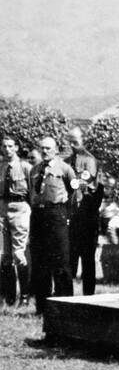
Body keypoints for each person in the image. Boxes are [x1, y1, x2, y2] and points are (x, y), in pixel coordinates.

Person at [28, 134, 79, 312]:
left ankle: (66, 305)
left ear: (56, 150)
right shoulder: (34, 170)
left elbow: (75, 194)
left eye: (48, 148)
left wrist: (66, 214)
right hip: (38, 215)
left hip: (57, 214)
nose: (45, 151)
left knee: (61, 261)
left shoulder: (65, 169)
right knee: (40, 262)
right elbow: (31, 193)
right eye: (42, 148)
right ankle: (42, 306)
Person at [64, 126, 104, 297]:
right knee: (70, 257)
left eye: (75, 141)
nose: (72, 145)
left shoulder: (89, 161)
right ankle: (67, 294)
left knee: (88, 259)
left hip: (87, 215)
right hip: (72, 215)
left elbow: (89, 184)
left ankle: (89, 296)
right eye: (70, 141)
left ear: (83, 139)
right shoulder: (67, 161)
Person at [0, 133, 31, 306]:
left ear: (17, 148)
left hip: (20, 209)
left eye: (11, 146)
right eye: (4, 146)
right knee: (4, 256)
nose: (7, 149)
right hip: (2, 208)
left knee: (19, 253)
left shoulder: (25, 167)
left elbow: (32, 192)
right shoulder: (1, 167)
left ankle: (25, 296)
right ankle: (9, 296)